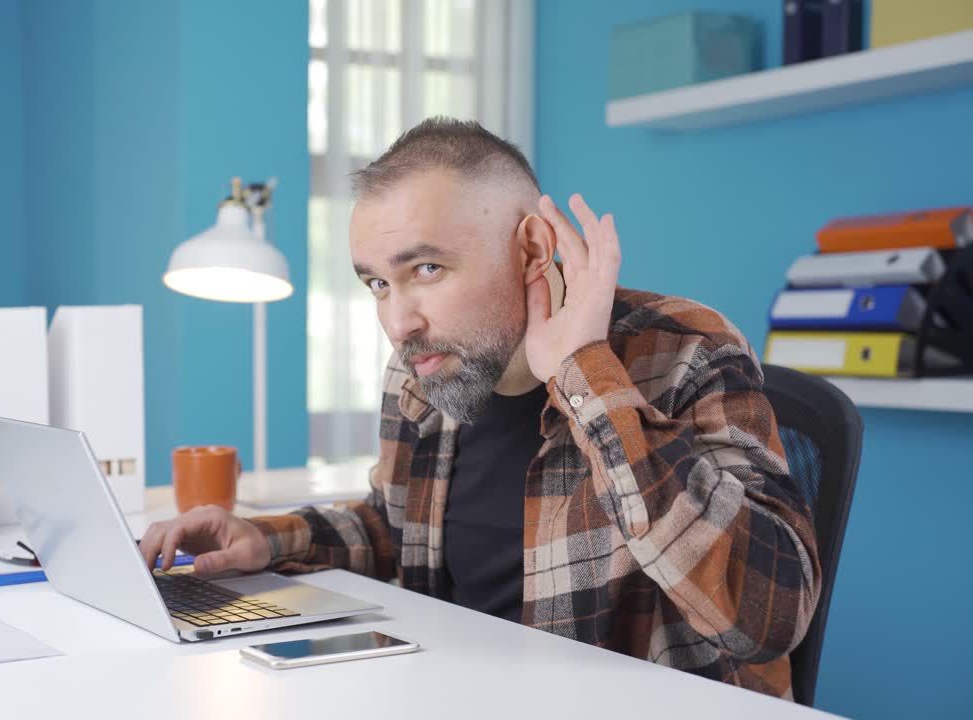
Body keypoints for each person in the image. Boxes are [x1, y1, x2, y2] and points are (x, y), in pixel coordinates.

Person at [140, 117, 819, 699]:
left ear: (531, 249)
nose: (398, 321)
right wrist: (266, 540)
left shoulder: (684, 353)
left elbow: (768, 617)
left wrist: (585, 377)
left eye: (426, 270)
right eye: (378, 283)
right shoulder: (423, 369)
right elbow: (396, 527)